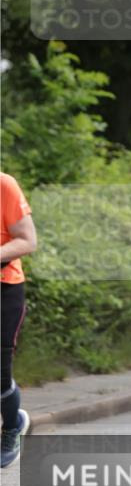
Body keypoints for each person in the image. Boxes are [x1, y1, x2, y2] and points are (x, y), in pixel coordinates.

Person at [1, 173, 36, 468]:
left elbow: (27, 240)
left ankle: (12, 424)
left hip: (4, 287)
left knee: (0, 373)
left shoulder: (5, 185)